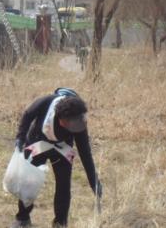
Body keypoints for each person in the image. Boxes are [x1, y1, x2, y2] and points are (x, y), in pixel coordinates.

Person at [11, 88, 102, 228]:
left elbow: (85, 152)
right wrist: (20, 137)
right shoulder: (45, 102)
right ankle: (22, 217)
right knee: (29, 181)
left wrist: (93, 180)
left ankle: (60, 223)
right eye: (68, 125)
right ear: (60, 118)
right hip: (37, 142)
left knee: (64, 185)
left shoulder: (79, 122)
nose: (72, 129)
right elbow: (27, 115)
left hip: (62, 149)